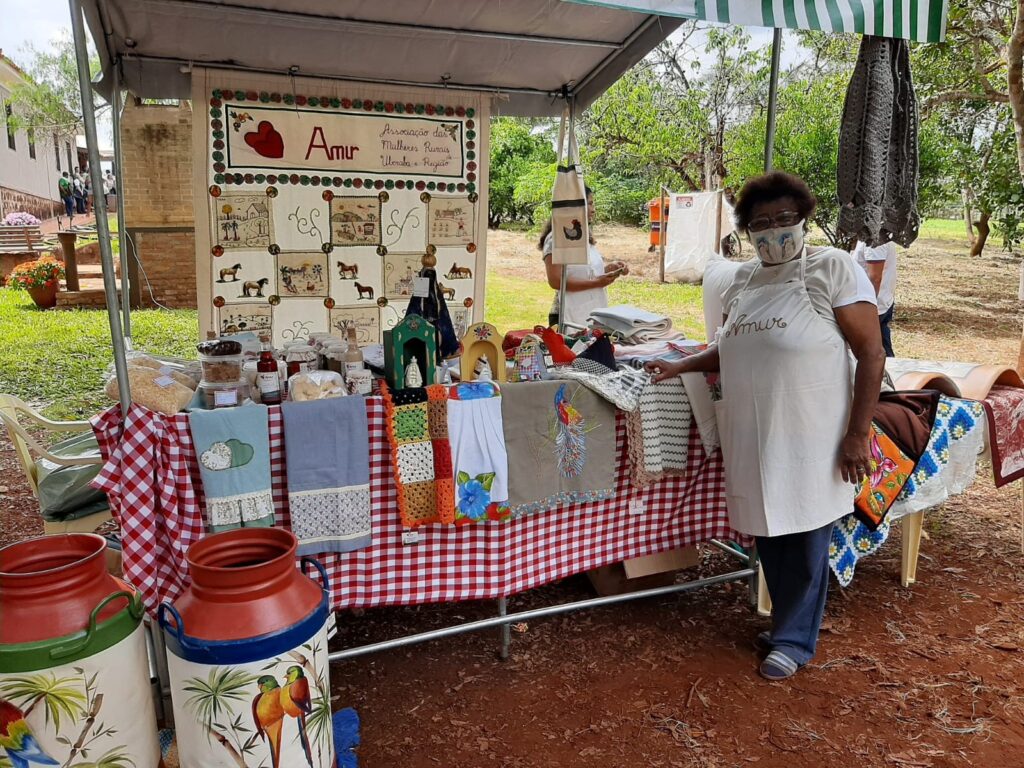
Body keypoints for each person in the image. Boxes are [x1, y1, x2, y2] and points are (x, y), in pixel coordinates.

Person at [646, 171, 885, 681]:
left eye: (783, 220)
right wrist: (680, 366)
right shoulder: (745, 280)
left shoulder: (832, 268)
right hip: (753, 432)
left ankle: (795, 640)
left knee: (803, 532)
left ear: (803, 218)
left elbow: (870, 351)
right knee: (769, 528)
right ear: (747, 232)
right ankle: (784, 624)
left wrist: (858, 432)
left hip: (812, 431)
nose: (773, 231)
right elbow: (729, 347)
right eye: (760, 224)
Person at [538, 186, 628, 329]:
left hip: (592, 312)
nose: (593, 209)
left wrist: (608, 270)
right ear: (576, 206)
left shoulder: (583, 236)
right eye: (590, 203)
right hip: (568, 318)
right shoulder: (555, 239)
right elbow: (556, 281)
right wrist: (596, 283)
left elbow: (583, 272)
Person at [852, 240, 898, 357]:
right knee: (881, 349)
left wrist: (868, 309)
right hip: (879, 304)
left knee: (871, 352)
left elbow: (875, 277)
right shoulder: (875, 235)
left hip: (873, 306)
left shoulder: (874, 239)